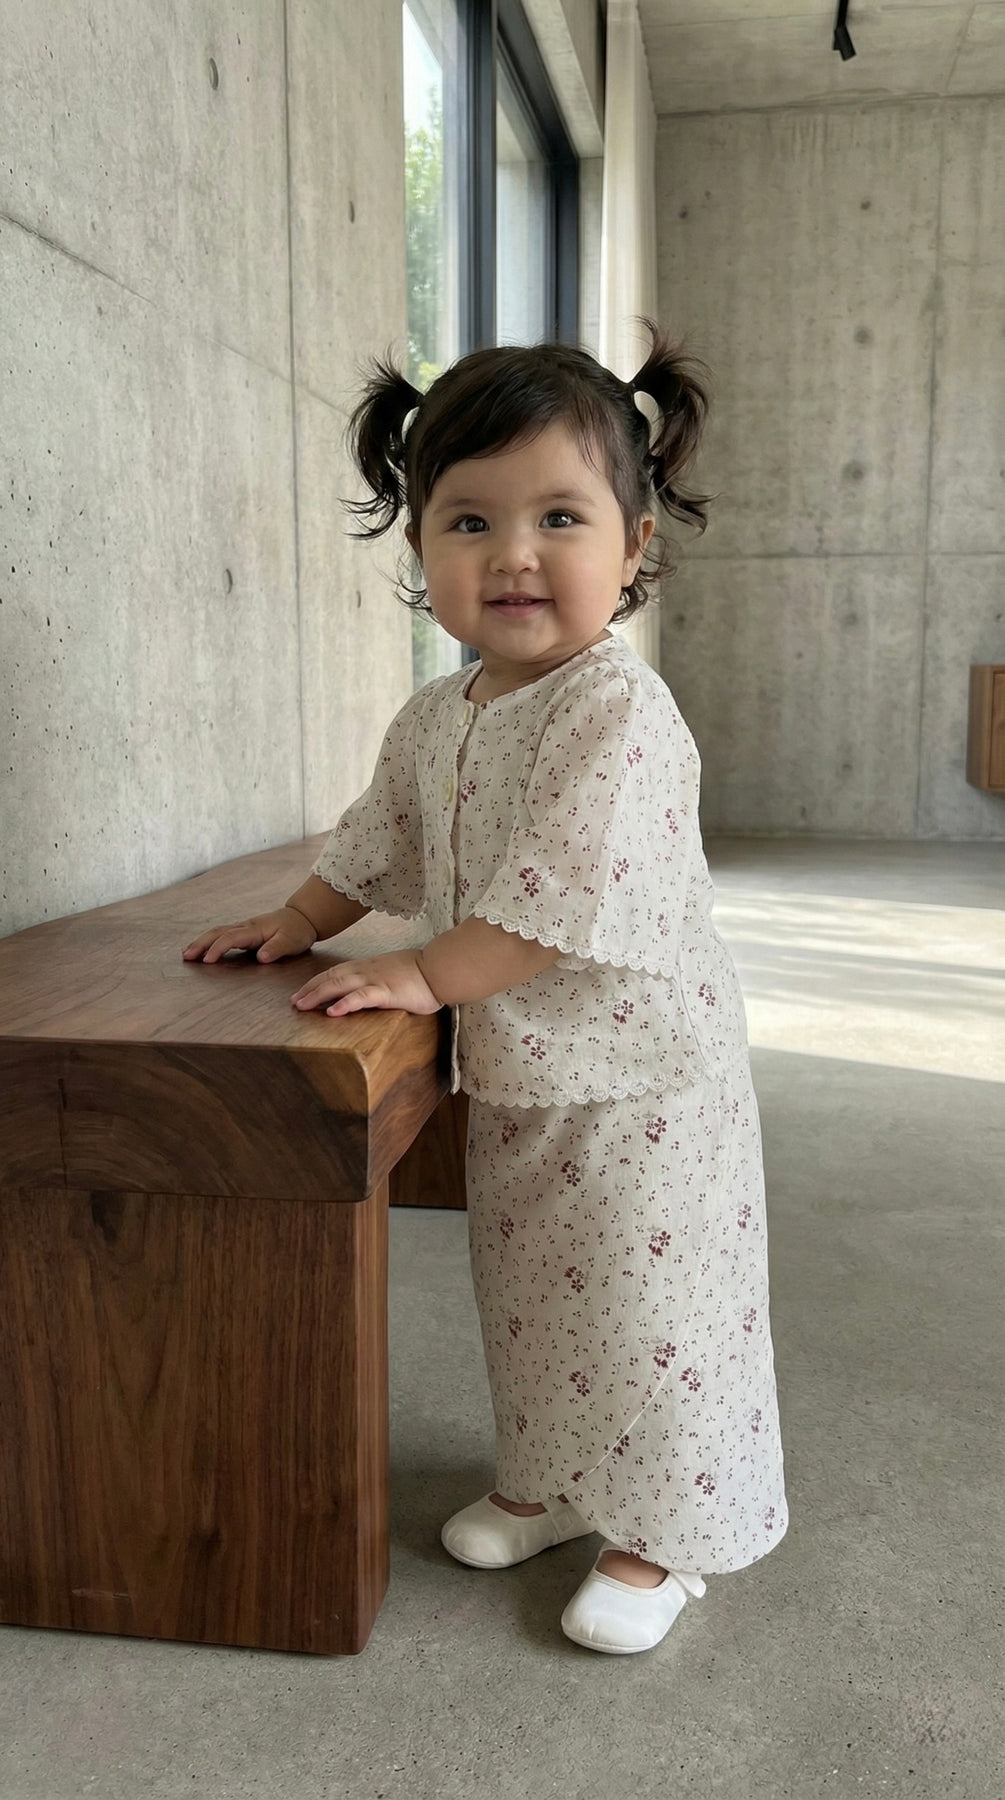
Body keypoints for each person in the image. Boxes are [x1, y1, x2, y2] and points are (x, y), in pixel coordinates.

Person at [182, 324, 787, 1654]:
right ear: (420, 552)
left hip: (644, 1086)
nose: (513, 553)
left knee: (650, 1309)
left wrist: (417, 970)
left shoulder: (619, 715)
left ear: (632, 546)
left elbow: (553, 903)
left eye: (558, 518)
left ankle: (659, 1537)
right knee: (533, 1297)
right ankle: (555, 1483)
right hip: (519, 1070)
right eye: (469, 520)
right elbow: (375, 842)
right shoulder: (437, 714)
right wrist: (296, 922)